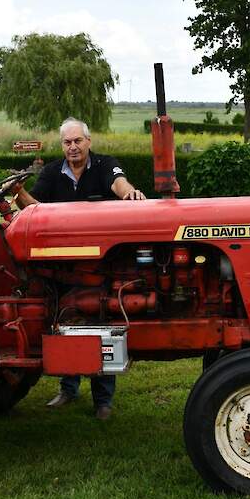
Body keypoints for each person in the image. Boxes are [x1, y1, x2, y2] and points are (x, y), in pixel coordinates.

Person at [12, 117, 146, 420]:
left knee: (100, 322)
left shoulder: (103, 165)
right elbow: (35, 207)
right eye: (67, 143)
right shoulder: (51, 173)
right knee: (62, 319)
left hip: (98, 265)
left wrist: (129, 194)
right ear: (63, 146)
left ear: (88, 141)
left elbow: (119, 182)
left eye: (77, 141)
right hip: (61, 264)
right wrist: (19, 193)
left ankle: (103, 400)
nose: (72, 147)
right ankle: (68, 388)